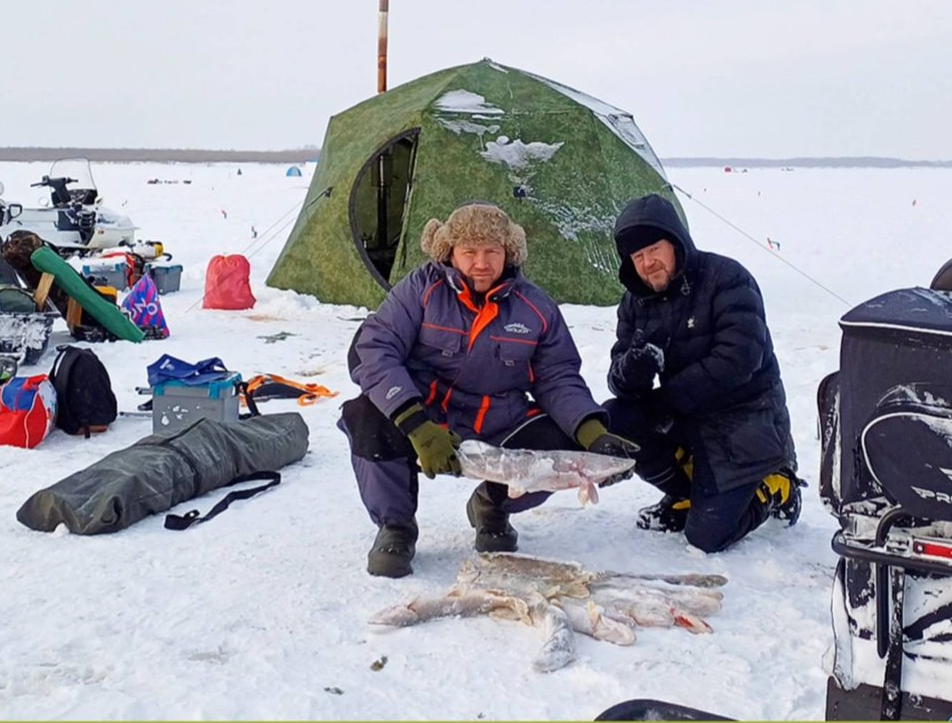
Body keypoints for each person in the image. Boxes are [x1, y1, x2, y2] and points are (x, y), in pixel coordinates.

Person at [340, 202, 641, 577]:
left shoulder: (536, 307)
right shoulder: (421, 289)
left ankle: (492, 504)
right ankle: (395, 527)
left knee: (566, 447)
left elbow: (557, 376)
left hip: (499, 419)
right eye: (469, 252)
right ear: (450, 252)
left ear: (508, 252)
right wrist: (416, 423)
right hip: (427, 413)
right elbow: (374, 349)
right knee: (366, 414)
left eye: (492, 252)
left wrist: (592, 434)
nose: (481, 263)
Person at [603, 193, 801, 552]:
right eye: (637, 256)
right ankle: (688, 493)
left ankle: (776, 483)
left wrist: (666, 400)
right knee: (616, 419)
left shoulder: (727, 279)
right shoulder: (635, 301)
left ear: (676, 242)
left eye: (654, 249)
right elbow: (618, 376)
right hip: (689, 418)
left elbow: (739, 360)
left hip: (745, 420)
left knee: (706, 538)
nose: (647, 263)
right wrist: (633, 369)